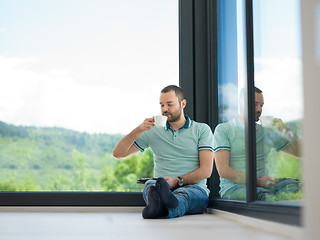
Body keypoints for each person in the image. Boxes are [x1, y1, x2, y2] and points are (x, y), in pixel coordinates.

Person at [113, 85, 214, 218]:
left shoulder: (201, 130)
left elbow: (206, 170)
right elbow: (118, 153)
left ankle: (158, 207)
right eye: (161, 105)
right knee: (151, 184)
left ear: (183, 104)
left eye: (169, 104)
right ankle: (162, 204)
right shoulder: (152, 131)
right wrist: (139, 129)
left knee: (186, 196)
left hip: (194, 188)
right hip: (161, 186)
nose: (164, 109)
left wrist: (177, 181)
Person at [213, 87, 301, 201]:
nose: (259, 109)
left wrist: (285, 130)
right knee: (266, 197)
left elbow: (300, 152)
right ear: (241, 104)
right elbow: (223, 171)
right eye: (255, 104)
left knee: (302, 188)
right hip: (235, 188)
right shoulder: (224, 129)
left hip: (266, 185)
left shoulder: (266, 132)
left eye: (261, 105)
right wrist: (258, 181)